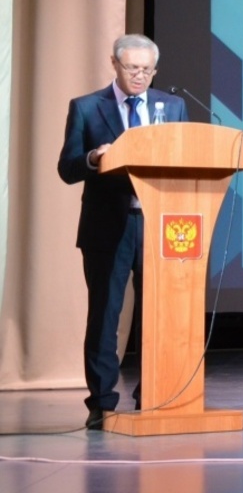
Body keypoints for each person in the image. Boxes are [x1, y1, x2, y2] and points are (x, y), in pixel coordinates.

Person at [58, 34, 188, 428]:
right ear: (114, 64)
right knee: (105, 316)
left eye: (147, 69)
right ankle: (102, 403)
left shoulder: (173, 106)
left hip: (159, 225)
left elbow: (185, 159)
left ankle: (154, 395)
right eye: (132, 67)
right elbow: (67, 168)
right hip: (107, 227)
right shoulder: (86, 107)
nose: (139, 76)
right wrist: (94, 158)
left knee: (159, 315)